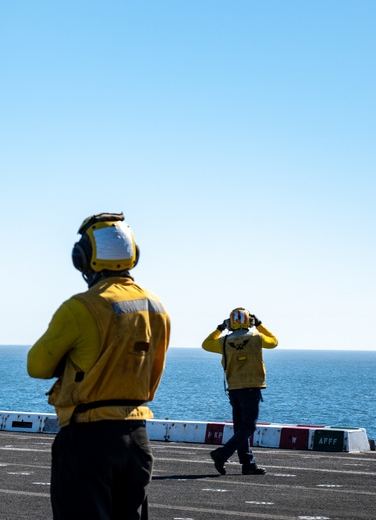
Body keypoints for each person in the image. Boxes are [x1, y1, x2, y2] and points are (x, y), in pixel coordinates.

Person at [27, 213, 170, 520]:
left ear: (83, 258)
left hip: (88, 437)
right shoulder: (156, 307)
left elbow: (37, 366)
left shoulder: (82, 307)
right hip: (137, 437)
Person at [202, 308, 278, 475]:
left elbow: (206, 344)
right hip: (251, 387)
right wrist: (259, 325)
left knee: (240, 428)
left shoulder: (223, 341)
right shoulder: (257, 338)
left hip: (234, 389)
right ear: (249, 322)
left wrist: (220, 328)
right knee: (249, 426)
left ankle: (248, 464)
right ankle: (222, 454)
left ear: (231, 323)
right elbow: (274, 341)